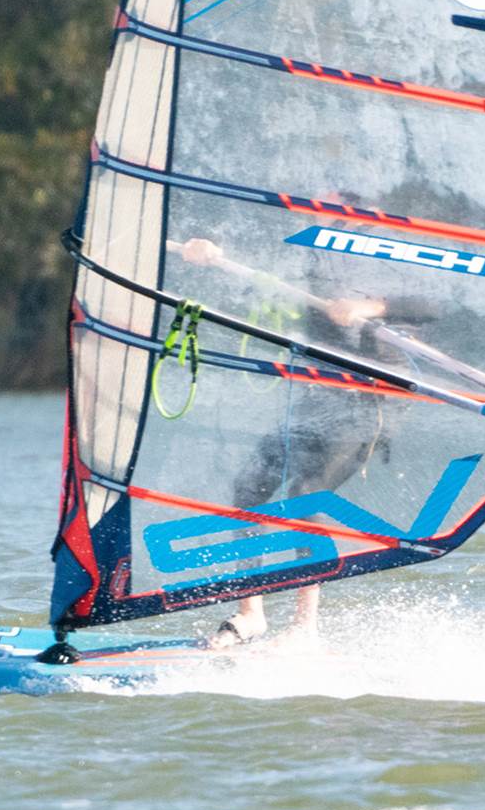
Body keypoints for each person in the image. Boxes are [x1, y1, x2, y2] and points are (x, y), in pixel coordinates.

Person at [170, 235, 437, 648]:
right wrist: (211, 255)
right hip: (317, 398)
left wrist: (368, 308)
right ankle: (251, 613)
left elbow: (434, 304)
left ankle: (305, 626)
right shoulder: (311, 254)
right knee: (249, 488)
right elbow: (261, 278)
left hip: (371, 404)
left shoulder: (379, 249)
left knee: (305, 495)